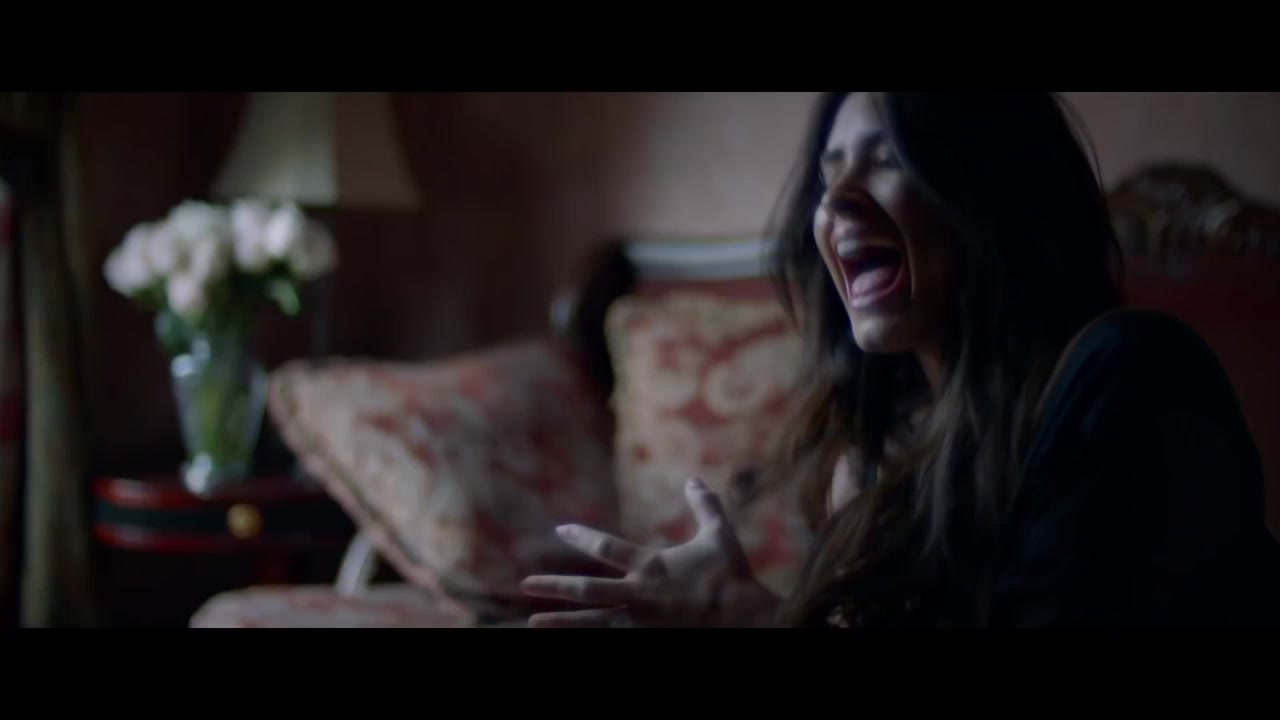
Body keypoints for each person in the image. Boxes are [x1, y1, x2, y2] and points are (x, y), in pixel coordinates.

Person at [519, 92, 1280, 628]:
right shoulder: (879, 453)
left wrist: (749, 617)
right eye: (830, 172)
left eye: (890, 161)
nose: (838, 202)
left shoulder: (1132, 377)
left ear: (995, 194)